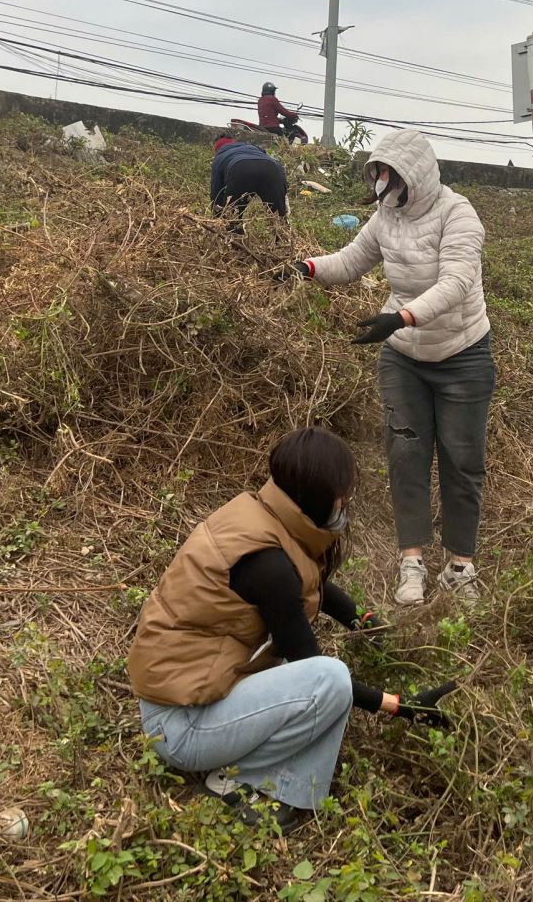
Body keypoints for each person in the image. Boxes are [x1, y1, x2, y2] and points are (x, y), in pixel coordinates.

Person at [128, 428, 456, 831]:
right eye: (340, 494)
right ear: (315, 495)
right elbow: (309, 660)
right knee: (329, 678)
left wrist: (367, 622)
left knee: (309, 676)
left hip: (183, 698)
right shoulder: (268, 564)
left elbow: (311, 583)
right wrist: (398, 704)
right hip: (179, 728)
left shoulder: (260, 513)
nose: (345, 502)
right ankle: (239, 778)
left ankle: (283, 782)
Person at [290, 129, 494, 605]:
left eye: (386, 172)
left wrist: (400, 316)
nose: (380, 182)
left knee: (463, 463)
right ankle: (412, 563)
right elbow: (350, 260)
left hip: (463, 355)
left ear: (412, 174)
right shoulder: (385, 217)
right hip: (404, 358)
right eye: (376, 172)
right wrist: (307, 268)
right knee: (406, 457)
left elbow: (458, 283)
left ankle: (460, 566)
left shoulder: (458, 214)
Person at [210, 134, 287, 226]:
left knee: (233, 218)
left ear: (217, 148)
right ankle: (283, 237)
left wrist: (217, 216)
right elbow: (276, 165)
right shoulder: (252, 148)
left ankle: (235, 236)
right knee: (278, 218)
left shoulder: (220, 156)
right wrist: (283, 188)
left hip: (240, 168)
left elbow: (216, 189)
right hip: (270, 167)